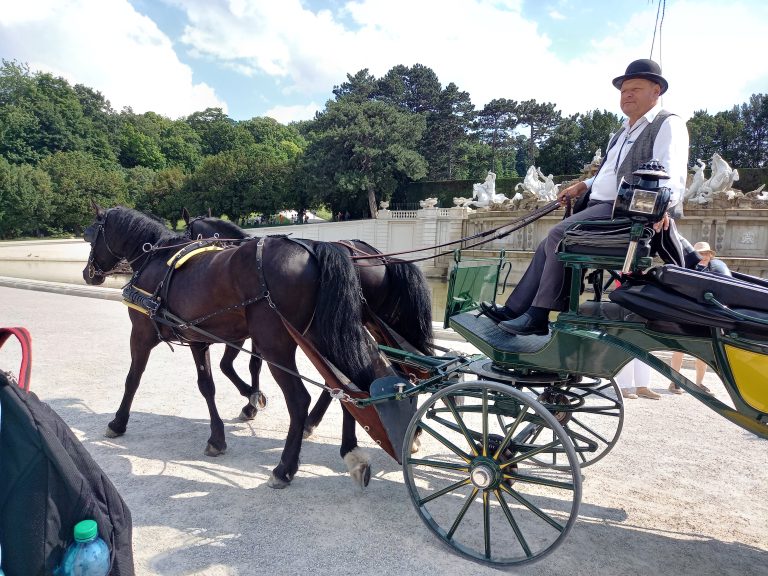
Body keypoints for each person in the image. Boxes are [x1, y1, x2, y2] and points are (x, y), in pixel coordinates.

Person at [480, 58, 689, 336]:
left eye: (635, 89)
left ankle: (539, 316)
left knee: (559, 235)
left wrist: (663, 208)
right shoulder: (621, 132)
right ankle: (515, 309)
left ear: (656, 92)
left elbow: (672, 173)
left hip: (627, 214)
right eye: (624, 90)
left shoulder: (667, 124)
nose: (627, 95)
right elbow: (609, 173)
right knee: (546, 244)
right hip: (602, 206)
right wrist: (584, 184)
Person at [669, 241, 731, 394]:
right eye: (700, 254)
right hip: (688, 313)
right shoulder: (688, 269)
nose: (703, 256)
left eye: (705, 253)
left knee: (704, 351)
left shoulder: (716, 269)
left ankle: (699, 383)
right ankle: (673, 381)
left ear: (710, 255)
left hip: (707, 315)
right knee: (679, 349)